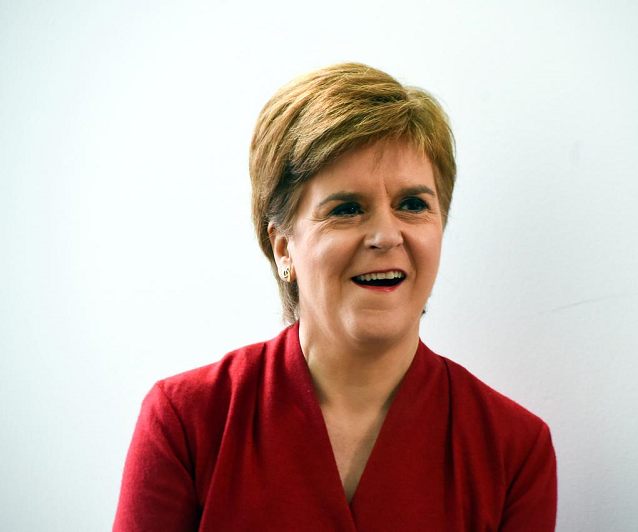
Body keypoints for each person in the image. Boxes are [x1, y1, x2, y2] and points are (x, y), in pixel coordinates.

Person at [113, 62, 557, 531]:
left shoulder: (514, 450)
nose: (387, 235)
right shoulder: (187, 422)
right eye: (347, 209)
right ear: (283, 246)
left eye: (412, 204)